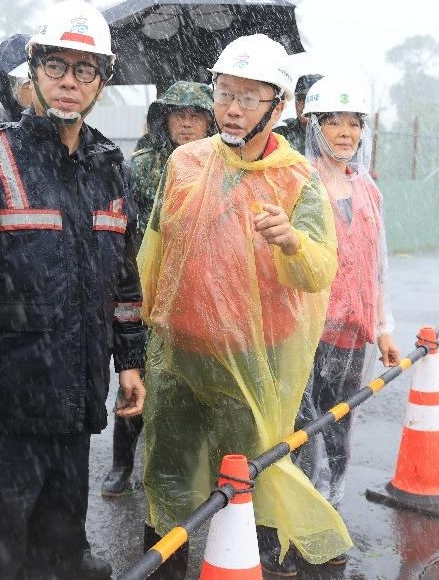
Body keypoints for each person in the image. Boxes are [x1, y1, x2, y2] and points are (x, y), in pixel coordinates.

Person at [0, 0, 146, 580]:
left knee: (59, 554)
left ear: (102, 79)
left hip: (75, 410)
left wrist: (130, 359)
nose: (69, 83)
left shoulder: (109, 165)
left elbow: (123, 275)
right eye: (56, 68)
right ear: (34, 70)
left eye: (85, 71)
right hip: (1, 410)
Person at [138, 34, 349, 578]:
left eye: (249, 97)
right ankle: (162, 570)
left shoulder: (296, 179)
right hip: (179, 353)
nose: (232, 108)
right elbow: (154, 252)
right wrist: (139, 338)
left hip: (256, 360)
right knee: (168, 477)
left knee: (243, 479)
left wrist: (292, 242)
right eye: (224, 92)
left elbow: (320, 271)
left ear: (277, 108)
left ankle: (244, 565)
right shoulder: (184, 163)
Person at [293, 76, 400, 566]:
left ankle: (329, 514)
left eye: (353, 122)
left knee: (338, 429)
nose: (344, 131)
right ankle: (296, 526)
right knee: (299, 432)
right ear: (312, 125)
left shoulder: (368, 191)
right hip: (302, 332)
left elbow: (377, 267)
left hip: (351, 334)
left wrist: (383, 328)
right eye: (332, 121)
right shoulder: (297, 180)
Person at [101, 80, 213, 498]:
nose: (186, 122)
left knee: (192, 384)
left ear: (209, 120)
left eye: (196, 114)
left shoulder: (219, 165)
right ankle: (121, 465)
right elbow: (123, 229)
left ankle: (183, 468)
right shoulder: (142, 165)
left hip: (198, 293)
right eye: (178, 114)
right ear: (164, 119)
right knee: (136, 376)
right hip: (146, 290)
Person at [273, 73, 323, 153]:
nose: (305, 105)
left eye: (311, 99)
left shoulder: (336, 135)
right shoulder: (280, 135)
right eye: (300, 99)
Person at [0, 33, 33, 121]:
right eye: (26, 81)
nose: (33, 86)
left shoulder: (64, 127)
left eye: (37, 78)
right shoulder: (2, 133)